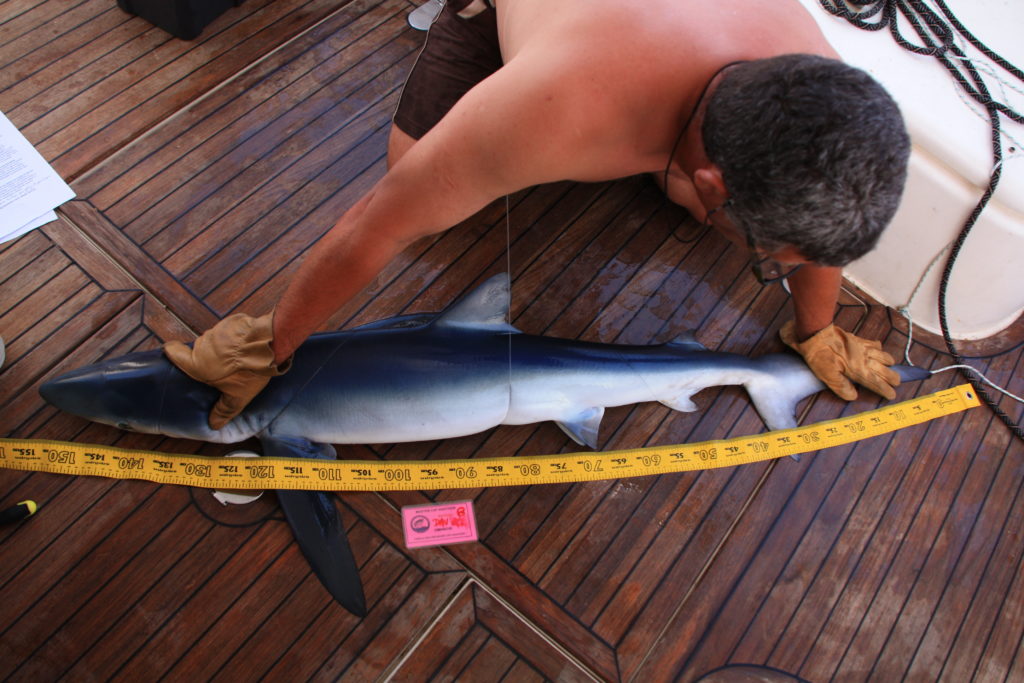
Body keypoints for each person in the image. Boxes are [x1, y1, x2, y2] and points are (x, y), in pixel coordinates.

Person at [165, 0, 910, 430]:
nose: (775, 265)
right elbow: (378, 225)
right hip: (526, 19)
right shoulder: (555, 109)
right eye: (765, 256)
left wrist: (817, 330)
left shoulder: (821, 96)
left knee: (715, 211)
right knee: (414, 173)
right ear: (713, 177)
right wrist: (272, 343)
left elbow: (815, 239)